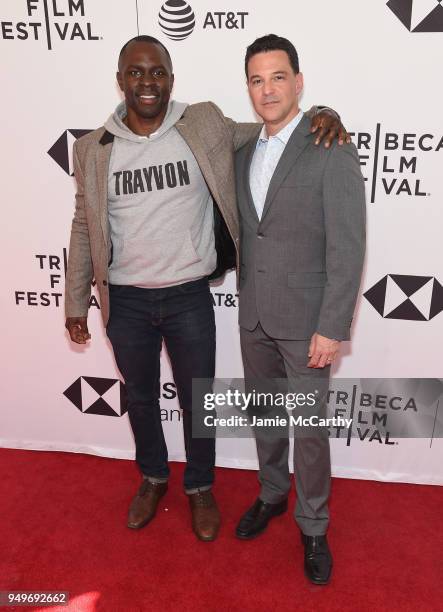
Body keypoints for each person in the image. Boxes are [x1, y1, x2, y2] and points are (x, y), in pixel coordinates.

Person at [64, 34, 347, 543]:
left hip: (189, 296)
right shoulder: (91, 149)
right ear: (120, 80)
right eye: (136, 72)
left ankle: (200, 487)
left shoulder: (204, 124)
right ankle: (153, 477)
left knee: (199, 401)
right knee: (143, 400)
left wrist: (323, 111)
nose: (147, 82)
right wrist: (74, 299)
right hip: (125, 301)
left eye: (157, 72)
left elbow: (274, 129)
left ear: (172, 78)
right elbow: (83, 227)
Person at [234, 34, 366, 583]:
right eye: (257, 80)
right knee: (265, 416)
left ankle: (314, 526)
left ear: (299, 81)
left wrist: (333, 326)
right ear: (248, 88)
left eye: (278, 77)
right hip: (255, 316)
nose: (268, 90)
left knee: (308, 432)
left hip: (308, 322)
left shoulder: (328, 145)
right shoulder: (241, 148)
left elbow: (349, 244)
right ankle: (271, 492)